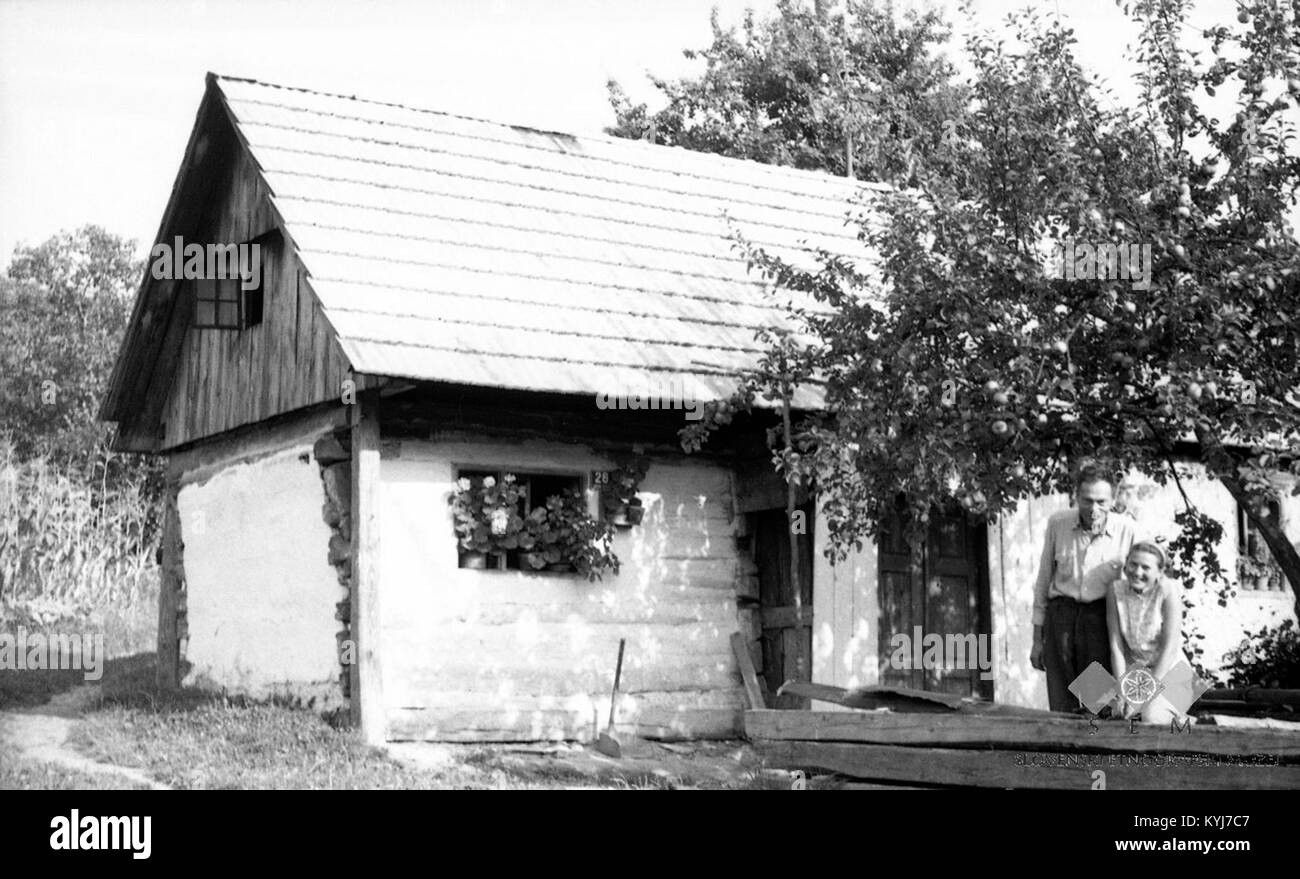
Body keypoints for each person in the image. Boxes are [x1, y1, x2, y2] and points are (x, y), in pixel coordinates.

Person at [1030, 462, 1137, 712]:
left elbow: (1142, 585)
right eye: (1087, 500)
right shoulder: (1058, 524)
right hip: (1060, 619)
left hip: (1099, 622)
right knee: (1061, 702)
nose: (1094, 508)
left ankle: (1096, 750)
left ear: (1114, 498)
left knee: (1097, 704)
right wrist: (1037, 639)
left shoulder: (1128, 531)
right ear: (1076, 496)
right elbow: (1044, 580)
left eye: (1101, 501)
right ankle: (1061, 751)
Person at [1106, 541, 1185, 724]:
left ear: (1159, 571)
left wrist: (1140, 698)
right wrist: (1123, 693)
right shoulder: (1115, 590)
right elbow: (1116, 647)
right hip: (1138, 672)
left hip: (1174, 672)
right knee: (1096, 702)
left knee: (1151, 716)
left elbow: (1169, 651)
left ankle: (1192, 724)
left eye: (1146, 567)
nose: (1137, 572)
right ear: (1126, 564)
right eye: (1133, 564)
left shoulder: (1168, 591)